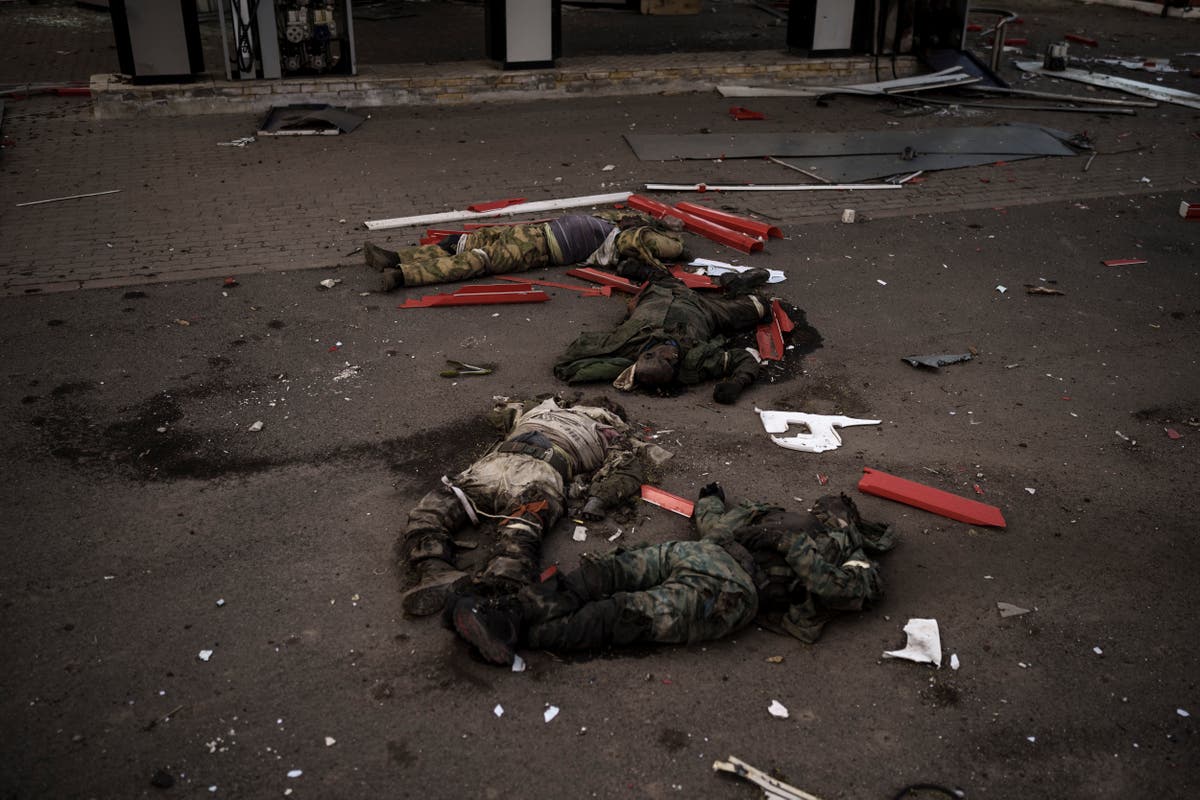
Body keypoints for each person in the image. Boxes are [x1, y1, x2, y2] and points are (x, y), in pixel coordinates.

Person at [446, 484, 896, 666]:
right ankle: (505, 613)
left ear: (852, 522)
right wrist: (711, 502)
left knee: (623, 614)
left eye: (840, 507)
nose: (828, 506)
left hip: (732, 590)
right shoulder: (781, 513)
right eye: (829, 502)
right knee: (602, 574)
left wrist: (791, 545)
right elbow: (719, 524)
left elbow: (832, 588)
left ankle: (515, 637)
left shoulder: (852, 554)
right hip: (702, 552)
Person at [397, 396, 655, 617]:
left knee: (432, 512)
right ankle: (491, 584)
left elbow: (500, 414)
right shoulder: (602, 430)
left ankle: (436, 568)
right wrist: (598, 499)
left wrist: (599, 498)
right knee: (523, 528)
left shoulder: (550, 411)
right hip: (538, 470)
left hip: (499, 465)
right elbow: (627, 469)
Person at [553, 265, 781, 405]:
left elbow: (575, 352)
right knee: (760, 308)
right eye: (669, 362)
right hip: (705, 312)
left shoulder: (625, 345)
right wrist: (738, 384)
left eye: (659, 357)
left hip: (661, 294)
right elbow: (744, 359)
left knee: (657, 275)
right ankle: (737, 286)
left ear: (645, 355)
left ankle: (644, 269)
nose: (670, 356)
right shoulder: (695, 364)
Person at [363, 211, 687, 291]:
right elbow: (638, 220)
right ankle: (394, 258)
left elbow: (670, 246)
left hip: (539, 247)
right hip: (532, 232)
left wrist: (666, 230)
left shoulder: (622, 243)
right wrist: (657, 218)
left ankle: (401, 276)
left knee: (476, 261)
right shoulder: (618, 223)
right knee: (459, 242)